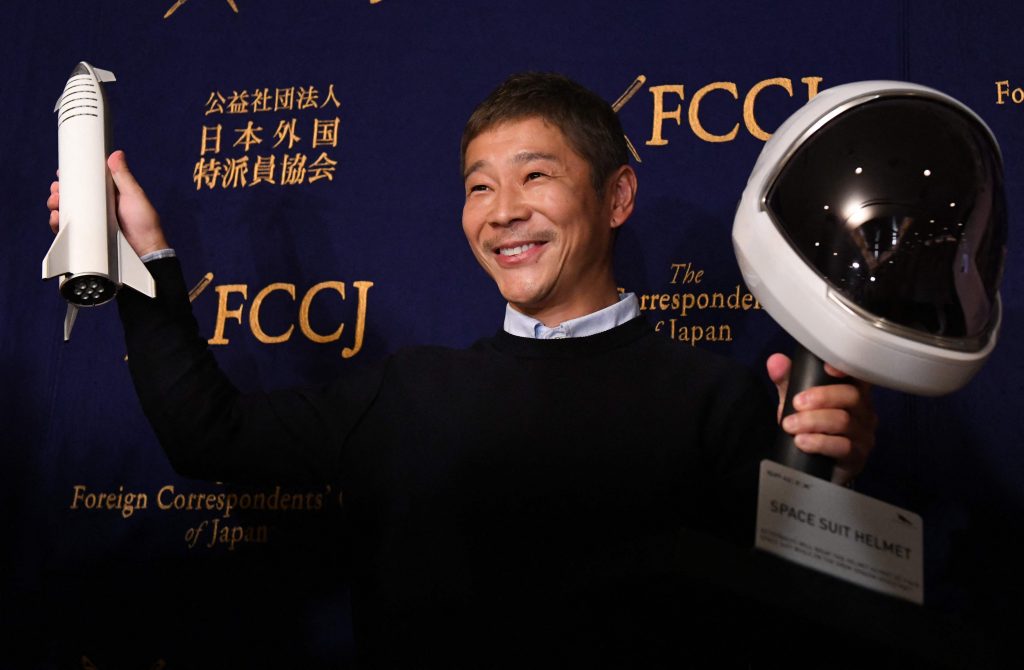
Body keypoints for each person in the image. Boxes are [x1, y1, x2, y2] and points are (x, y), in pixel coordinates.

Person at [48, 72, 875, 666]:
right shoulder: (408, 389)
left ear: (617, 198)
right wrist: (144, 262)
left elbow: (790, 615)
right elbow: (210, 437)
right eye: (479, 187)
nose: (503, 211)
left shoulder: (723, 402)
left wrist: (829, 475)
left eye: (536, 176)